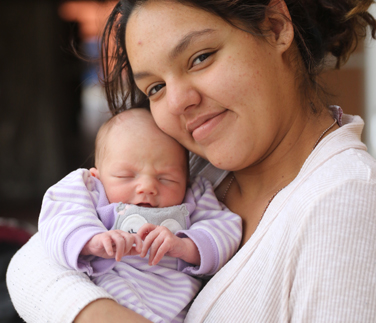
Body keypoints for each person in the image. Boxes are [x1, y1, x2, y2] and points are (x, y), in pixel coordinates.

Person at [7, 0, 376, 322]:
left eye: (200, 57)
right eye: (155, 87)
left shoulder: (345, 202)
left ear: (276, 27)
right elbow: (31, 262)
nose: (177, 102)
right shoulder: (200, 165)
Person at [38, 108, 242, 323]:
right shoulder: (88, 188)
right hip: (107, 302)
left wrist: (186, 246)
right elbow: (57, 217)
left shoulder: (195, 194)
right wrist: (91, 240)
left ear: (186, 179)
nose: (147, 187)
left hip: (171, 312)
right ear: (97, 175)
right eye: (126, 176)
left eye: (166, 179)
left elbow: (226, 229)